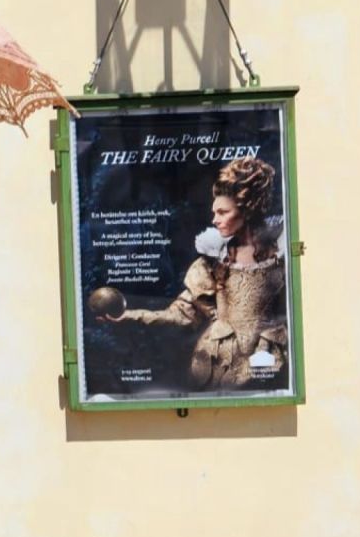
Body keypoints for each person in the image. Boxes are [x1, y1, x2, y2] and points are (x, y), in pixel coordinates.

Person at [98, 155, 287, 389]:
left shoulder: (282, 257)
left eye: (223, 212)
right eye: (214, 212)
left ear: (246, 210)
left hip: (266, 362)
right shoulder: (212, 262)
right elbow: (182, 314)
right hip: (216, 363)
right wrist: (131, 316)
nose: (214, 219)